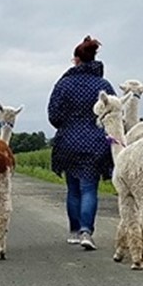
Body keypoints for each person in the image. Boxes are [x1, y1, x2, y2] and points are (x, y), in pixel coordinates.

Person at [48, 36, 116, 251]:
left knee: (73, 190)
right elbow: (114, 113)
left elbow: (54, 115)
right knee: (89, 189)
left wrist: (67, 123)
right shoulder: (103, 85)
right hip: (96, 143)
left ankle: (74, 231)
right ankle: (87, 230)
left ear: (77, 60)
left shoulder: (64, 84)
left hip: (68, 142)